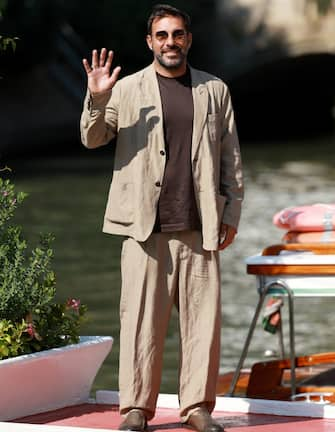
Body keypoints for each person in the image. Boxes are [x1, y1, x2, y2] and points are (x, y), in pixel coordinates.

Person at [80, 4, 243, 432]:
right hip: (143, 227)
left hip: (201, 224)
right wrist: (97, 98)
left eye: (178, 34)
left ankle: (197, 408)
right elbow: (92, 137)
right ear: (150, 42)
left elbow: (231, 159)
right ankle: (136, 408)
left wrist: (233, 212)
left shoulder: (215, 90)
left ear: (188, 39)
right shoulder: (127, 88)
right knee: (139, 322)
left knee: (202, 325)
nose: (171, 42)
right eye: (162, 35)